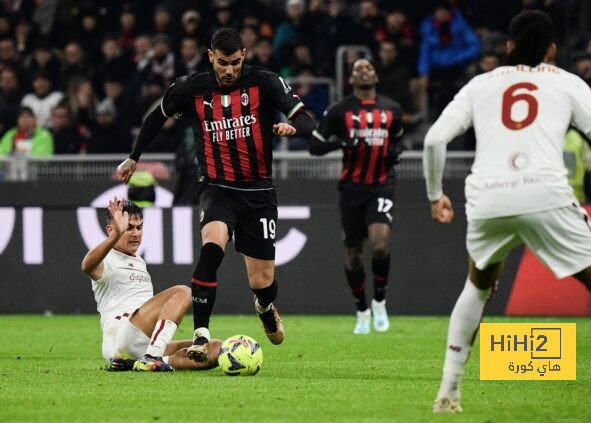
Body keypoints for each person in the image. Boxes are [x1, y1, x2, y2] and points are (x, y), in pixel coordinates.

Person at [423, 10, 591, 413]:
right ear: (552, 50)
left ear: (508, 48)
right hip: (546, 194)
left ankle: (448, 391)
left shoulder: (480, 84)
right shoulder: (567, 83)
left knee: (477, 285)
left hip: (488, 198)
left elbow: (434, 140)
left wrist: (436, 195)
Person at [115, 28, 314, 362]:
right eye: (223, 63)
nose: (230, 70)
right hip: (216, 188)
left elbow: (306, 118)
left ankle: (264, 306)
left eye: (236, 62)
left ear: (244, 55)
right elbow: (156, 118)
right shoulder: (190, 88)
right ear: (211, 56)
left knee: (262, 281)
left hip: (258, 191)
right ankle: (201, 335)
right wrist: (134, 156)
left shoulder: (265, 83)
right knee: (212, 246)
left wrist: (294, 128)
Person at [309, 58, 404, 334]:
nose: (364, 71)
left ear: (376, 75)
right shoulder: (340, 111)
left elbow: (398, 139)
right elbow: (315, 146)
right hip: (351, 189)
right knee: (353, 254)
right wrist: (342, 142)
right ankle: (362, 309)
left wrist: (395, 152)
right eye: (357, 69)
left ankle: (380, 302)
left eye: (368, 68)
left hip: (382, 184)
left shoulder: (392, 109)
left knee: (380, 245)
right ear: (351, 79)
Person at [81, 198, 222, 372]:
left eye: (139, 227)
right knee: (184, 292)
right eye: (129, 228)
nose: (136, 234)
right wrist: (116, 235)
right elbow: (87, 265)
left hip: (142, 342)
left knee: (215, 349)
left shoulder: (139, 262)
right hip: (122, 334)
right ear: (111, 230)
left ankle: (138, 362)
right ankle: (153, 356)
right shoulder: (107, 258)